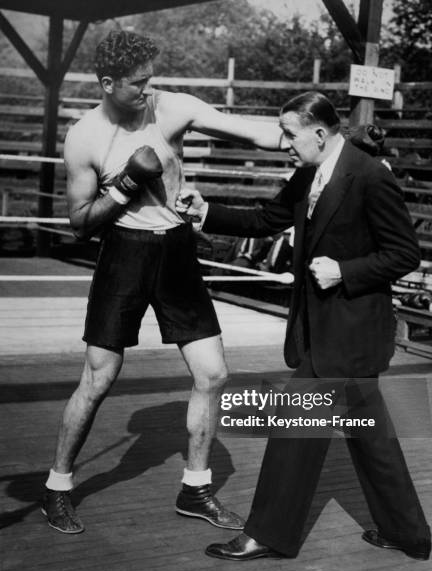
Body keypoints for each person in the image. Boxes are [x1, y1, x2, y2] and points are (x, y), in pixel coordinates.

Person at [41, 29, 284, 534]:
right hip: (124, 255)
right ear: (107, 83)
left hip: (176, 251)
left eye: (151, 80)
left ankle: (195, 490)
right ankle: (57, 487)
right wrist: (127, 185)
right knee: (99, 377)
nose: (147, 91)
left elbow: (252, 132)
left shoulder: (171, 109)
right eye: (136, 84)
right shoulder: (84, 137)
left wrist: (325, 136)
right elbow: (81, 223)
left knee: (213, 373)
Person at [177, 91, 432, 561]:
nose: (284, 143)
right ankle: (408, 533)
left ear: (319, 132)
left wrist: (345, 271)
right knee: (373, 441)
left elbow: (405, 254)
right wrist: (205, 211)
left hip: (352, 333)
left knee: (294, 429)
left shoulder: (371, 176)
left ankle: (268, 533)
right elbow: (266, 219)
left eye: (290, 134)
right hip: (324, 331)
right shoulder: (309, 172)